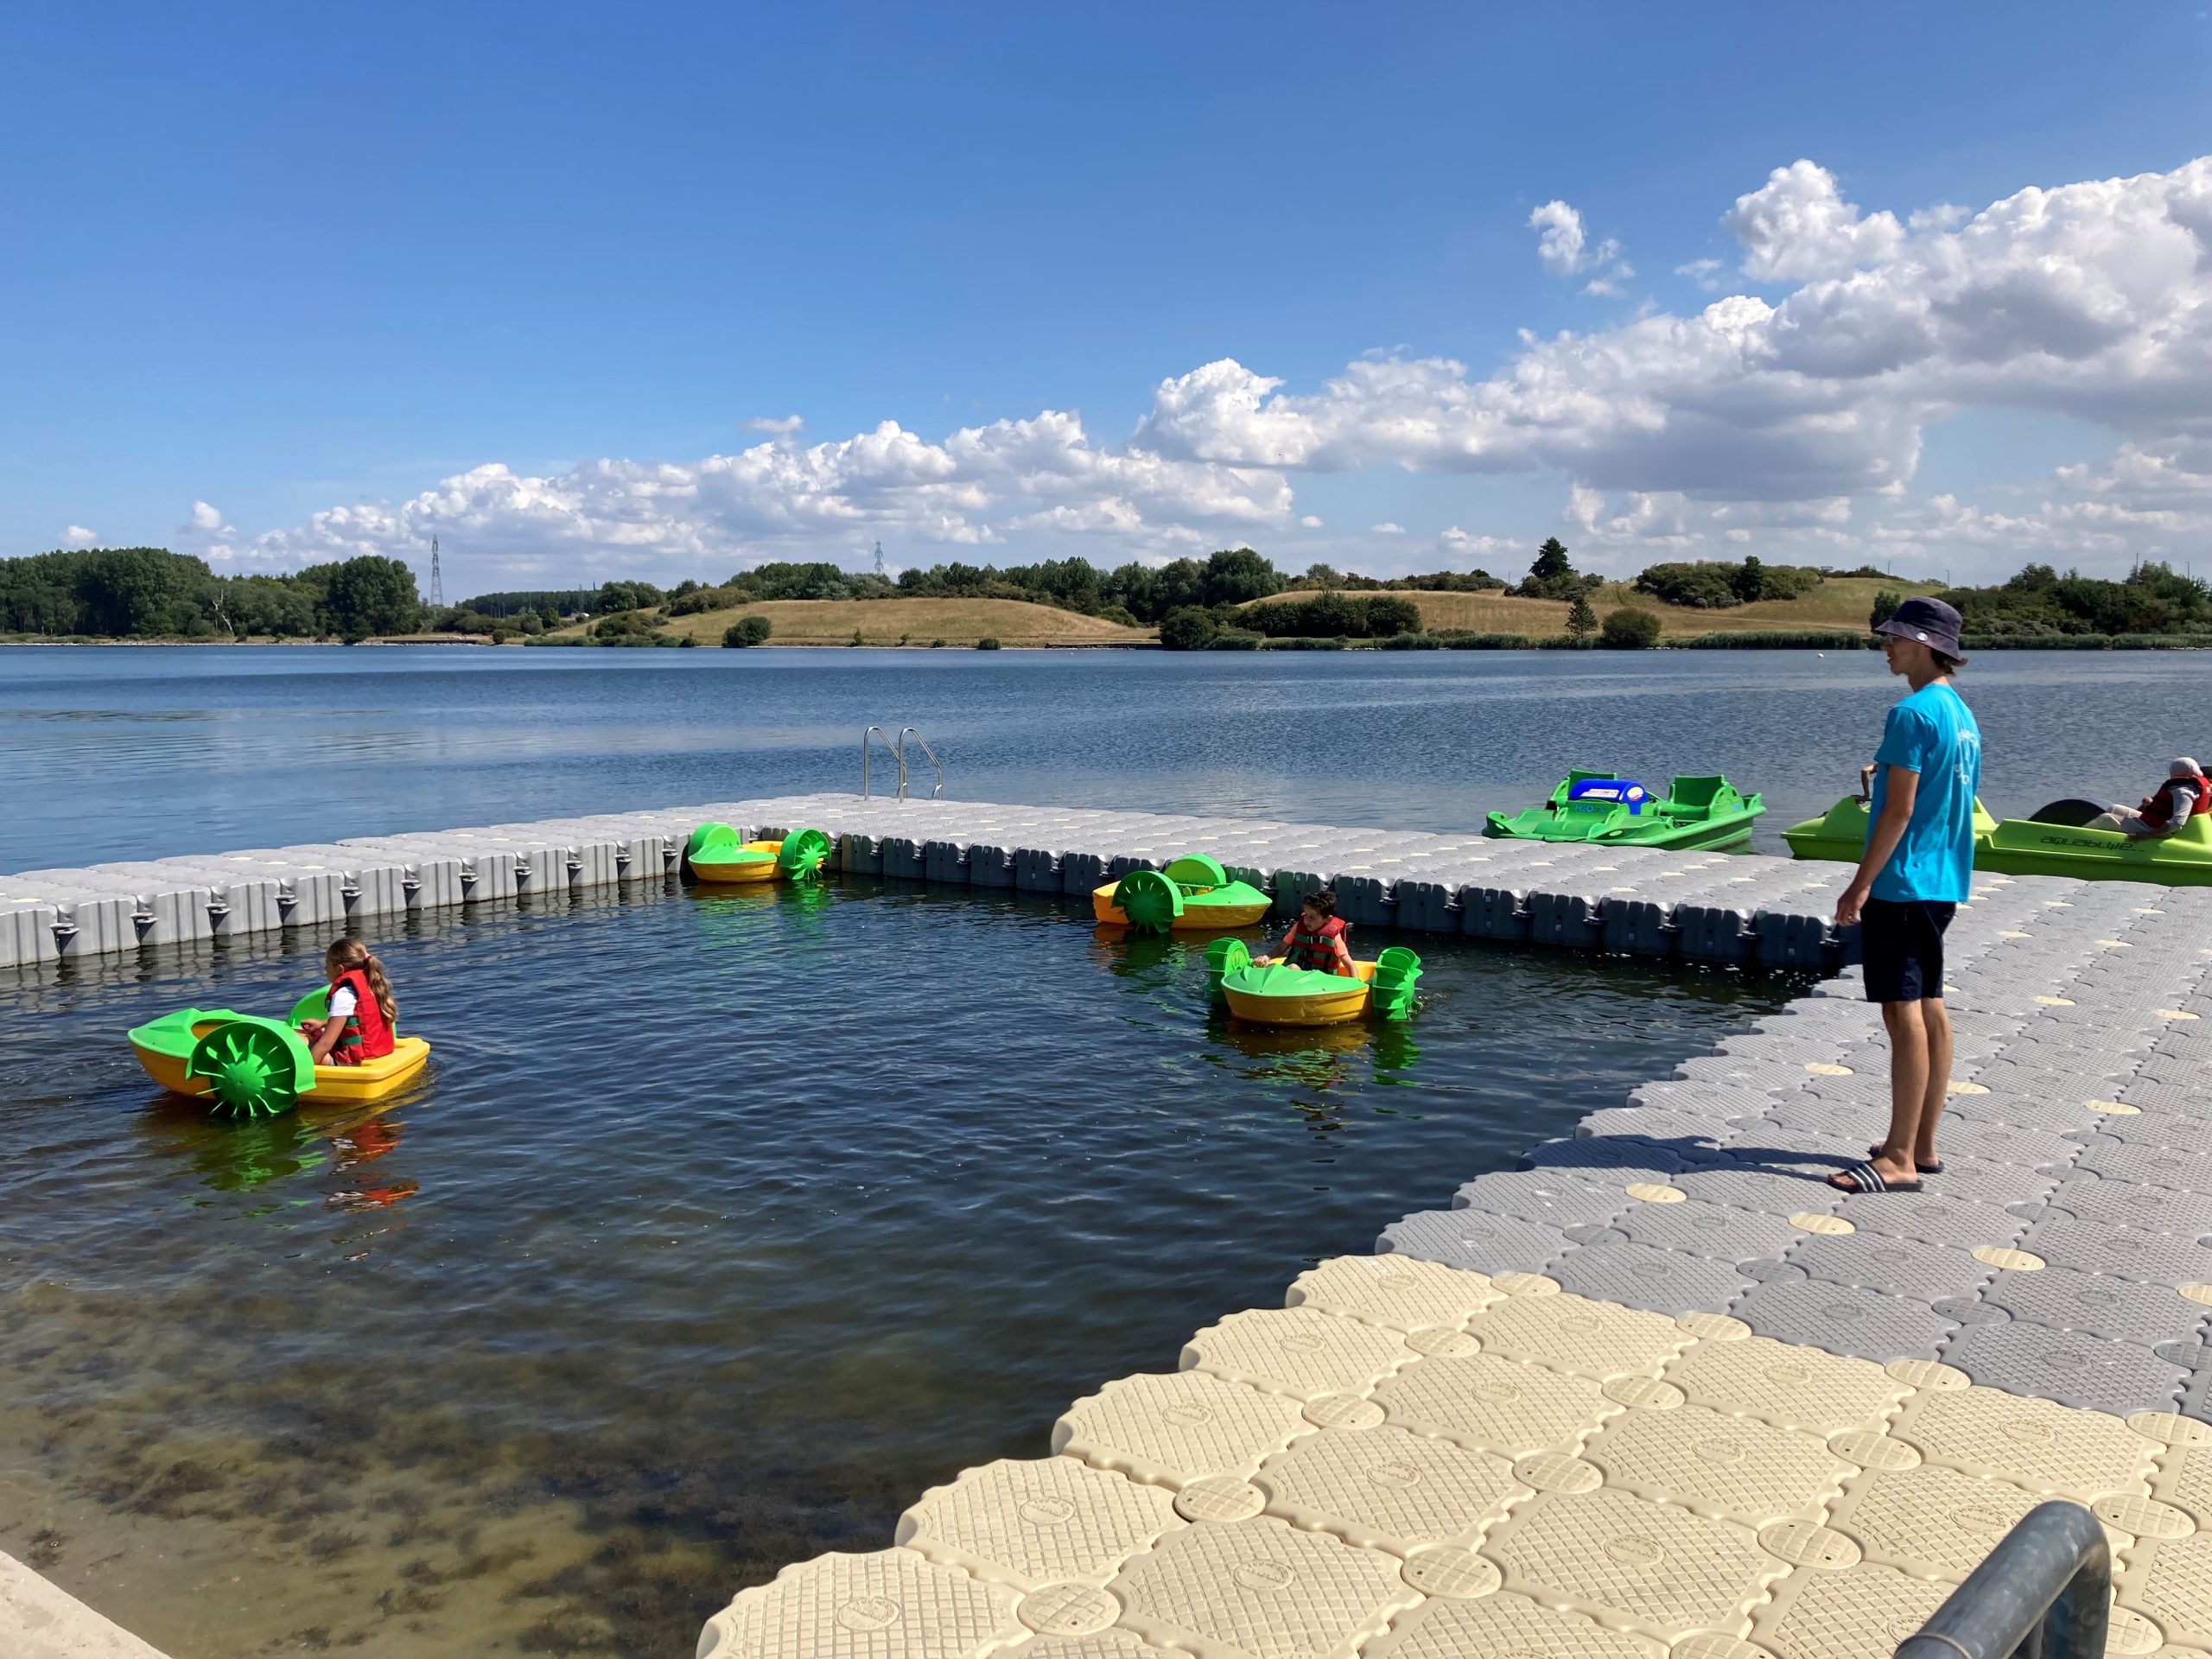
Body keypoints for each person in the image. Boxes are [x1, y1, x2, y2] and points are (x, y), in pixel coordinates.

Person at [1831, 596, 1982, 1196]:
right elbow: (1944, 794)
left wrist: (1859, 885)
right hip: (1942, 879)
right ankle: (1922, 1141)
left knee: (1902, 1010)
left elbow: (1899, 810)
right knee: (1930, 1003)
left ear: (1923, 644)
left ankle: (1897, 1159)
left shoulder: (1911, 713)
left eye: (1892, 639)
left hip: (1903, 881)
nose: (1884, 648)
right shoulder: (1960, 714)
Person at [296, 938, 398, 1065]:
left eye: (327, 964)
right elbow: (359, 1022)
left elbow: (325, 1044)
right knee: (309, 1034)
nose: (324, 969)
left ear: (340, 969)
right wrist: (322, 1024)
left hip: (351, 1062)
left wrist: (306, 1072)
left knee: (297, 1039)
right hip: (378, 1053)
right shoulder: (372, 984)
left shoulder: (343, 994)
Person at [2087, 758, 2210, 838]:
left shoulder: (2183, 791)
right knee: (2115, 808)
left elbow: (2177, 823)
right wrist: (2152, 802)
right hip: (2151, 821)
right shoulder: (2188, 787)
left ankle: (2075, 840)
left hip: (2153, 828)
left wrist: (2148, 835)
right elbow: (2168, 805)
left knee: (2106, 819)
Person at [1255, 888, 1357, 976]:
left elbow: (1349, 964)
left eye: (1312, 917)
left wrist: (1355, 983)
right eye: (1306, 915)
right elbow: (1282, 947)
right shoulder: (1300, 926)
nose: (1307, 920)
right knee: (1285, 968)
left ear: (1328, 920)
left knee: (1292, 968)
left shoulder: (1334, 937)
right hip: (1297, 974)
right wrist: (1266, 957)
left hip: (1321, 979)